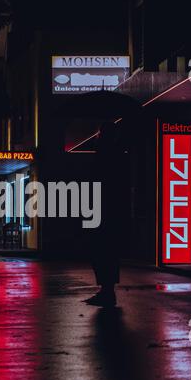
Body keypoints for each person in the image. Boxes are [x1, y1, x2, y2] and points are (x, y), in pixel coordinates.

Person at [85, 121, 123, 307]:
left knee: (102, 251)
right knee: (105, 252)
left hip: (104, 212)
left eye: (100, 133)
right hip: (109, 212)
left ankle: (107, 292)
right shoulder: (113, 154)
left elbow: (96, 183)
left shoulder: (106, 156)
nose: (97, 136)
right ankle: (106, 290)